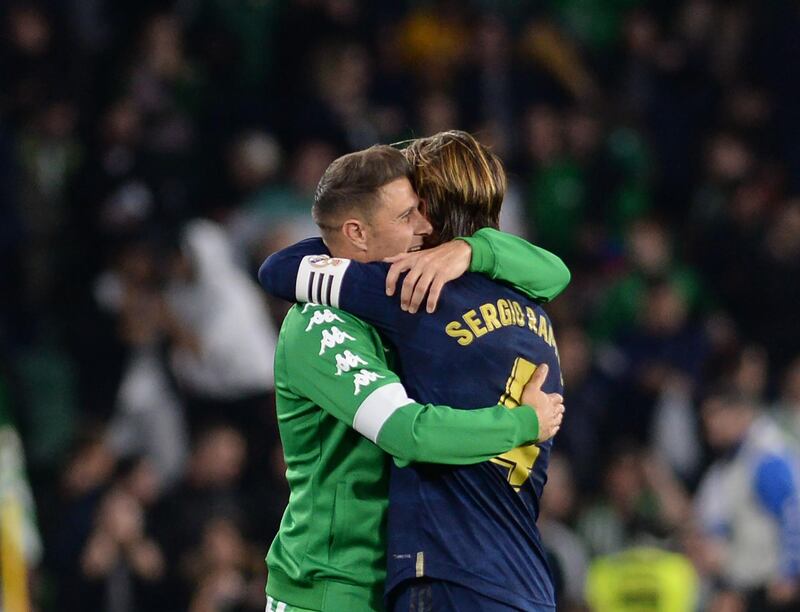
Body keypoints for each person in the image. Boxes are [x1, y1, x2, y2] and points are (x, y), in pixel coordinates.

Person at [260, 131, 570, 611]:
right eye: (404, 215)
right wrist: (525, 422)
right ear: (359, 231)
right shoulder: (325, 320)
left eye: (419, 211)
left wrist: (469, 250)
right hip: (329, 589)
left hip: (404, 582)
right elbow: (407, 431)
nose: (418, 230)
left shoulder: (416, 302)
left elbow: (555, 273)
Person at [694, 387, 800, 611]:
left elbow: (793, 512)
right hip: (746, 582)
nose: (709, 424)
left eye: (715, 414)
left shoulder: (765, 455)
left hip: (772, 587)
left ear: (740, 413)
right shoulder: (732, 460)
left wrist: (789, 572)